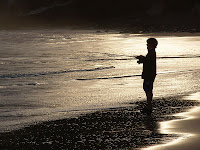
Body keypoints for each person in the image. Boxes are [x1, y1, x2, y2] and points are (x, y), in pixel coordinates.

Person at [136, 38, 157, 114]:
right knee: (147, 88)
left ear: (151, 44)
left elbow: (148, 61)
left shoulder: (151, 52)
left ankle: (149, 106)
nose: (146, 45)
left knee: (147, 89)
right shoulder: (151, 52)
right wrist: (142, 59)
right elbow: (148, 61)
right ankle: (149, 105)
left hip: (149, 74)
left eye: (148, 44)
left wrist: (141, 59)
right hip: (150, 74)